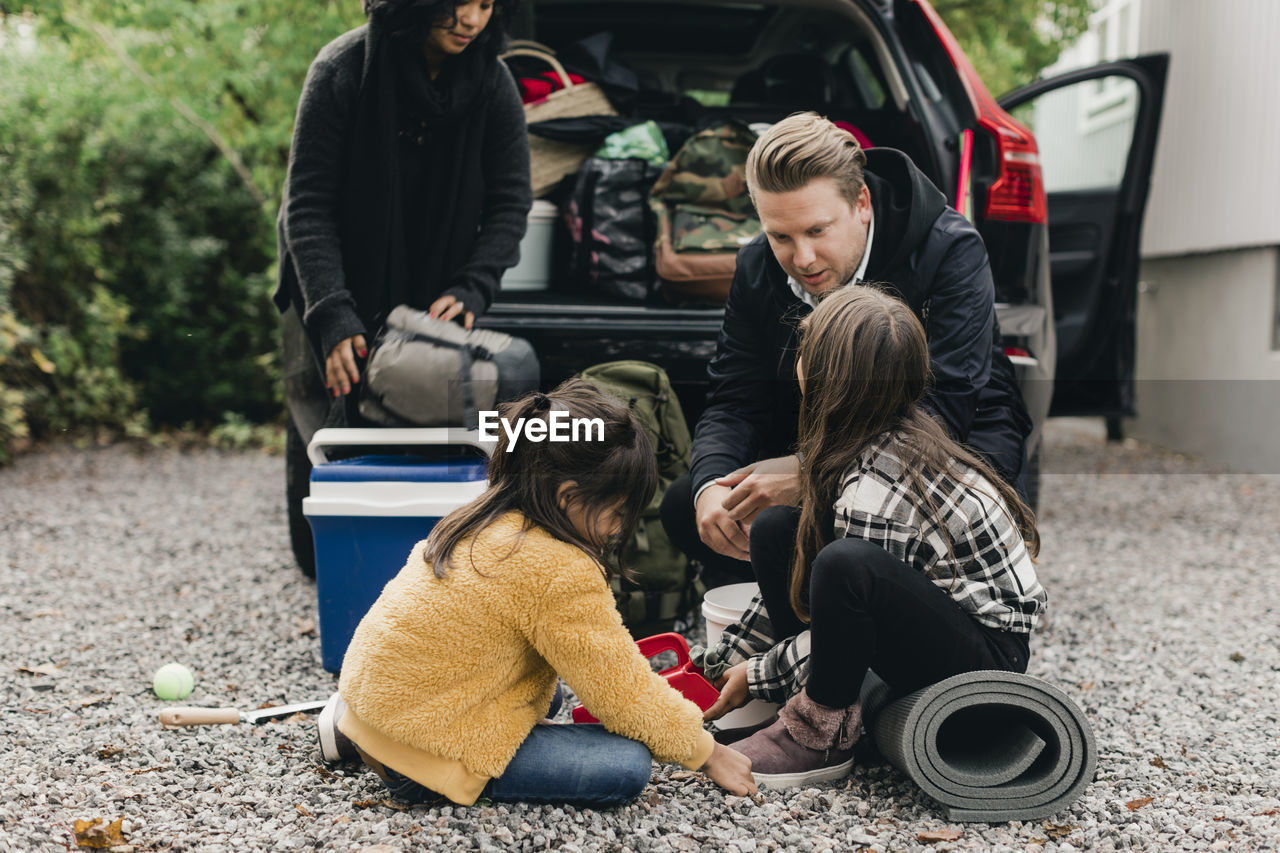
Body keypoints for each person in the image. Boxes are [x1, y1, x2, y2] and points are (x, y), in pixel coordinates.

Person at [328, 379, 757, 806]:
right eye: (619, 512)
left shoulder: (479, 519)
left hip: (376, 708)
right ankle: (432, 767)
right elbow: (622, 693)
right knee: (628, 764)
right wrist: (708, 752)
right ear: (569, 497)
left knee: (546, 694)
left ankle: (356, 736)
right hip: (424, 755)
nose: (620, 529)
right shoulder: (558, 569)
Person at [660, 111, 1032, 585]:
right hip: (820, 435)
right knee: (685, 503)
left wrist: (815, 474)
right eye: (780, 236)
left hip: (948, 445)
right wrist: (712, 489)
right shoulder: (756, 264)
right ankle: (778, 611)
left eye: (817, 231)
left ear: (862, 203)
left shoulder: (949, 249)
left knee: (862, 542)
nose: (803, 259)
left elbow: (945, 405)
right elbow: (734, 399)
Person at [699, 286, 1047, 788]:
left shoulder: (879, 484)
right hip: (943, 633)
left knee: (847, 566)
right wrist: (722, 660)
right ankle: (798, 707)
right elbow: (806, 574)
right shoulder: (863, 440)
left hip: (984, 681)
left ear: (824, 378)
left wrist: (756, 673)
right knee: (779, 529)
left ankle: (820, 733)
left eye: (805, 349)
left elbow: (851, 617)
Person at [274, 0, 533, 432]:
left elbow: (511, 199)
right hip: (335, 289)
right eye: (458, 3)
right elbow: (306, 205)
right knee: (336, 442)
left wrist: (475, 284)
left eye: (486, 4)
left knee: (437, 440)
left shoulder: (492, 80)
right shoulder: (342, 69)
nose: (472, 19)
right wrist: (333, 314)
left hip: (434, 294)